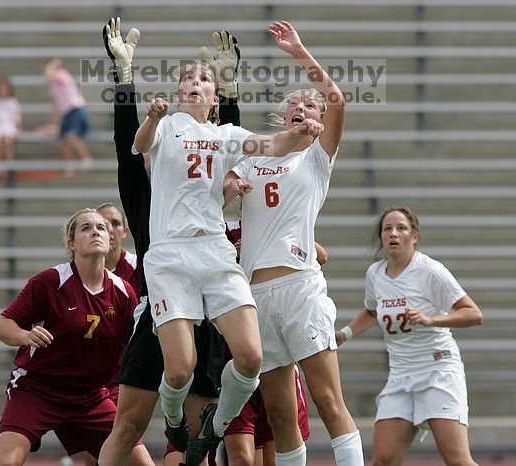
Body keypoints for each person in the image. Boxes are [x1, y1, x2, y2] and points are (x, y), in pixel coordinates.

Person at [132, 15, 323, 465]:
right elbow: (141, 145)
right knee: (179, 369)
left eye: (203, 79)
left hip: (215, 251)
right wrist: (152, 117)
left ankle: (211, 431)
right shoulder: (167, 125)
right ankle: (176, 417)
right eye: (188, 79)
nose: (194, 84)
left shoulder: (227, 136)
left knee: (252, 358)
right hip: (170, 254)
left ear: (215, 98)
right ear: (180, 93)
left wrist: (299, 133)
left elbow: (271, 145)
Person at [223, 21, 363, 466]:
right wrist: (229, 185)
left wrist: (299, 51)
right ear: (283, 119)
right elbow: (221, 194)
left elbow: (338, 99)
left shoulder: (317, 158)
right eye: (295, 106)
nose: (303, 108)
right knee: (282, 415)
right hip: (255, 294)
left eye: (310, 104)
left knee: (326, 400)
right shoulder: (253, 158)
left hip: (300, 286)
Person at [97, 19, 234, 466]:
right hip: (157, 303)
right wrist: (124, 78)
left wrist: (229, 88)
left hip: (206, 307)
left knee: (198, 439)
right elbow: (126, 143)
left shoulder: (211, 162)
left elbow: (229, 147)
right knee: (128, 427)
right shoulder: (146, 186)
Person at [0, 208, 152, 466]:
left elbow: (135, 346)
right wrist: (24, 335)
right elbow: (1, 325)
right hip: (38, 389)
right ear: (71, 243)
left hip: (91, 397)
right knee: (7, 461)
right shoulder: (50, 281)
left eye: (101, 228)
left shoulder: (123, 292)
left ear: (111, 240)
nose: (95, 231)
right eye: (86, 228)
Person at [336, 206, 484, 466]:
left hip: (438, 370)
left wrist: (431, 320)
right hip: (401, 375)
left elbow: (473, 313)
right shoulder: (375, 274)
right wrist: (345, 334)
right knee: (384, 459)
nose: (393, 233)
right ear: (381, 237)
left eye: (401, 228)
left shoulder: (430, 271)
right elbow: (372, 312)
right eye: (387, 229)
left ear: (414, 236)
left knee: (458, 460)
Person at [39, 58, 93, 177]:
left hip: (75, 109)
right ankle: (70, 167)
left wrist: (53, 64)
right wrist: (54, 124)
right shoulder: (52, 86)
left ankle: (86, 160)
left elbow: (49, 75)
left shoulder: (62, 74)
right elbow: (56, 107)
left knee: (71, 137)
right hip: (66, 113)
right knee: (63, 142)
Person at [97, 202, 142, 297]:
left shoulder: (139, 267)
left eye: (115, 224)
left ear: (125, 232)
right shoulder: (82, 270)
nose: (110, 230)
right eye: (102, 224)